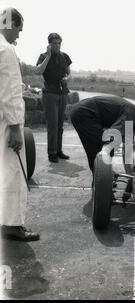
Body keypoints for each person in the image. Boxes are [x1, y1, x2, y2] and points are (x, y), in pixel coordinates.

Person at [0, 8, 40, 241]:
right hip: (5, 121)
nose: (18, 35)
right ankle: (12, 224)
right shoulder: (6, 50)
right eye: (18, 29)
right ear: (9, 24)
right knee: (13, 170)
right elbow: (10, 92)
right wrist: (15, 127)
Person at [70, 94, 135, 172]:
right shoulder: (133, 112)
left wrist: (129, 173)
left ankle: (101, 177)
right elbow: (113, 134)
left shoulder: (132, 119)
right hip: (84, 112)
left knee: (96, 152)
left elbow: (127, 150)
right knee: (100, 150)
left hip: (81, 111)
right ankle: (102, 178)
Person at [35, 32, 72, 163]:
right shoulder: (43, 56)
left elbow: (68, 72)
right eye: (54, 43)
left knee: (60, 125)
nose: (57, 46)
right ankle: (52, 153)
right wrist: (49, 56)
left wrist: (66, 78)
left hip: (63, 93)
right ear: (49, 44)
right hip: (50, 94)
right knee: (52, 125)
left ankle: (58, 151)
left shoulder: (65, 56)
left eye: (59, 43)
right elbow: (38, 71)